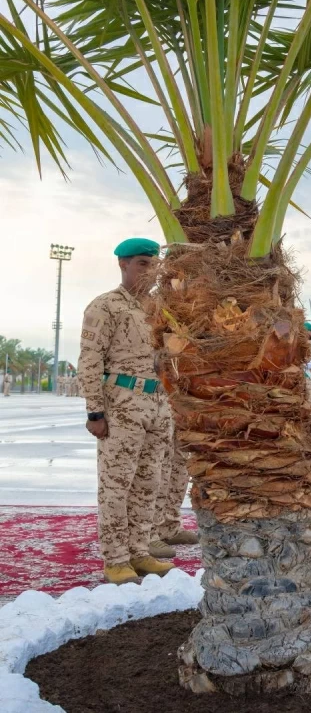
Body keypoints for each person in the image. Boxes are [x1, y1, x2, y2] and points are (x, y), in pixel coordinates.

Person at [78, 238, 175, 585]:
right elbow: (89, 361)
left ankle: (139, 551)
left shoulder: (159, 310)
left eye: (153, 265)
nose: (149, 272)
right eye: (142, 264)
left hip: (157, 405)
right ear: (123, 264)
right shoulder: (105, 307)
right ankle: (116, 559)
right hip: (121, 405)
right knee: (116, 485)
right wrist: (95, 413)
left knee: (149, 483)